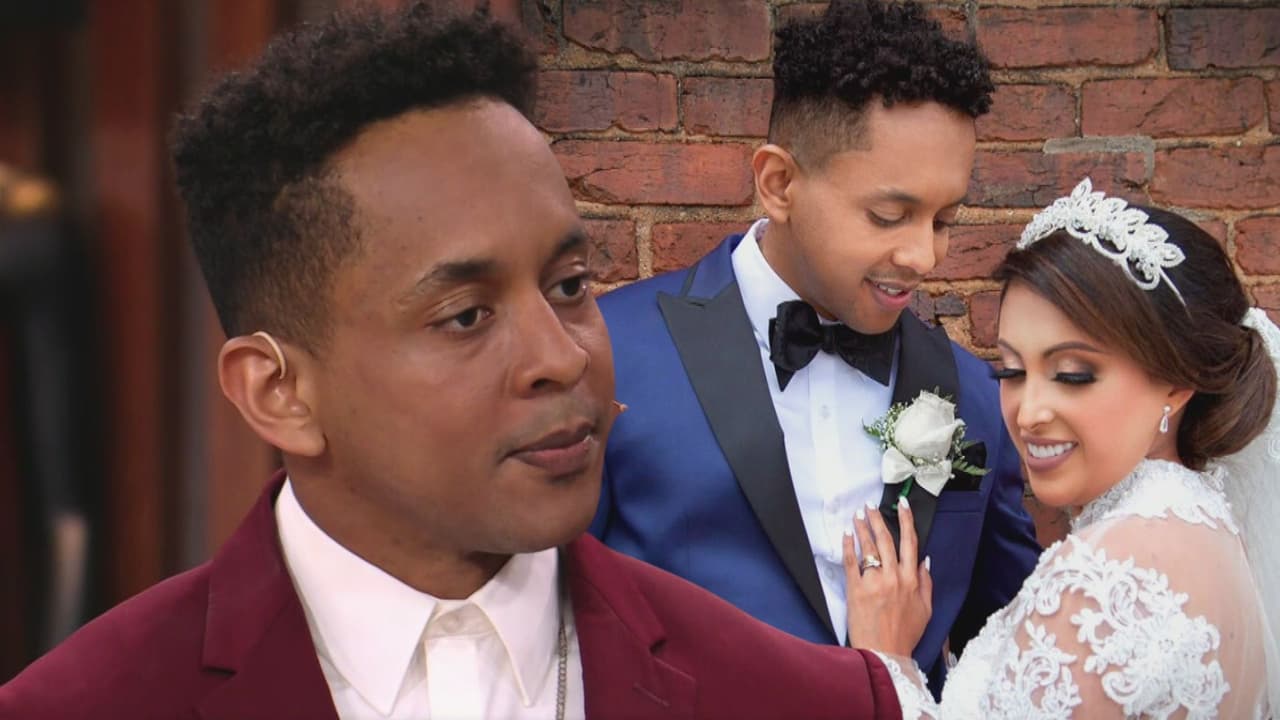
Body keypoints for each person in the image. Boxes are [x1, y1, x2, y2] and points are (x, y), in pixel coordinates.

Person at [0, 5, 907, 719]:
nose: (562, 357)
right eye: (466, 316)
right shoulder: (79, 706)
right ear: (279, 392)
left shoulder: (808, 702)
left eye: (569, 286)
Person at [593, 0, 1041, 691]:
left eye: (944, 220)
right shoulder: (612, 353)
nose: (924, 256)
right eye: (888, 215)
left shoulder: (975, 396)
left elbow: (1012, 659)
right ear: (779, 184)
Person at [848, 178, 1280, 718]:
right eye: (1012, 370)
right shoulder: (1211, 535)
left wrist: (886, 660)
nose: (1028, 412)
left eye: (1073, 374)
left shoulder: (1104, 582)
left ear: (1175, 383)